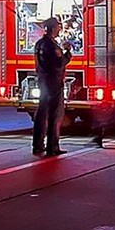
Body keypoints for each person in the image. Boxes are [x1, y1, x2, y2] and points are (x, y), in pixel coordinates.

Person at [33, 16, 72, 156]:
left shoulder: (39, 44)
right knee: (55, 115)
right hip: (54, 83)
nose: (59, 30)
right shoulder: (52, 46)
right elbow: (59, 63)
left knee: (41, 113)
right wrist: (68, 52)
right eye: (57, 27)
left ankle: (37, 145)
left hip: (43, 81)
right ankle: (53, 146)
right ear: (53, 28)